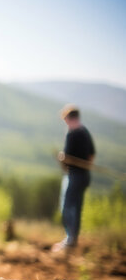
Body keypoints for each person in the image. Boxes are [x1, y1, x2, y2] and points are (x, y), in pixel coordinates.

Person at [52, 104, 95, 253]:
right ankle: (72, 239)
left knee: (68, 207)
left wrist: (62, 158)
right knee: (76, 207)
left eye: (65, 119)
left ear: (70, 118)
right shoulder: (85, 132)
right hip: (84, 175)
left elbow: (67, 158)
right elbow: (91, 155)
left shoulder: (73, 133)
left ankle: (70, 240)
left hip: (74, 175)